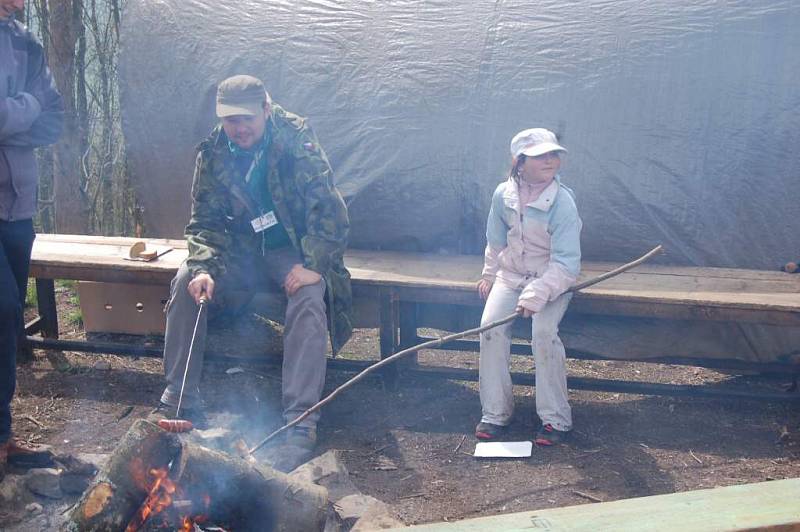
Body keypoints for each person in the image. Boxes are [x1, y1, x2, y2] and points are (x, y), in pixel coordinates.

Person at [155, 75, 352, 455]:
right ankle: (179, 398)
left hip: (289, 248)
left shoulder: (296, 140)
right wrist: (204, 267)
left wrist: (314, 264)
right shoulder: (213, 151)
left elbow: (328, 209)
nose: (240, 129)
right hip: (239, 249)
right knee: (186, 280)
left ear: (265, 109)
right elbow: (204, 222)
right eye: (231, 120)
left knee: (311, 294)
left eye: (247, 119)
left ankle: (300, 417)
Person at [475, 128, 582, 446]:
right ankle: (495, 413)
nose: (550, 160)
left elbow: (567, 264)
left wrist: (536, 294)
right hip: (512, 276)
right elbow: (495, 241)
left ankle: (556, 420)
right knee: (489, 328)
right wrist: (490, 274)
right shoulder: (502, 195)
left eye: (553, 155)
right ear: (519, 162)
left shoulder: (562, 202)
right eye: (540, 156)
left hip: (551, 280)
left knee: (543, 334)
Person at [0, 0, 65, 478]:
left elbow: (54, 118)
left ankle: (2, 438)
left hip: (18, 207)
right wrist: (29, 106)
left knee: (7, 321)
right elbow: (33, 111)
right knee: (2, 308)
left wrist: (12, 123)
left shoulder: (26, 42)